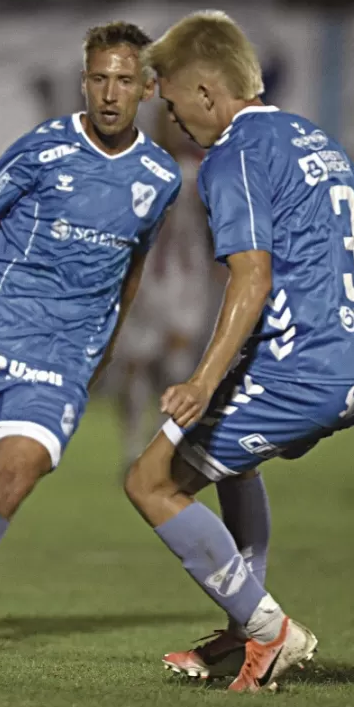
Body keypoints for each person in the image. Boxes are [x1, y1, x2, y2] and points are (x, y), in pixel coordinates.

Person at [125, 10, 354, 692]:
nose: (170, 115)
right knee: (234, 469)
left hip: (301, 365)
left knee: (151, 481)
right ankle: (243, 622)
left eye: (169, 99)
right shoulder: (311, 137)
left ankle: (266, 627)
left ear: (205, 93)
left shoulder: (233, 157)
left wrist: (200, 381)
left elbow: (252, 279)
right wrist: (351, 320)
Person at [0, 21, 182, 646]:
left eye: (124, 81)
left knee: (8, 480)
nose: (109, 93)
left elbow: (130, 270)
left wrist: (100, 353)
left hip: (61, 360)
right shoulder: (45, 148)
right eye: (99, 78)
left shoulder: (160, 178)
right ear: (83, 82)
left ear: (147, 88)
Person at [112, 112, 216, 473]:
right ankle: (131, 448)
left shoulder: (198, 172)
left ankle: (162, 449)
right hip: (145, 282)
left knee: (176, 368)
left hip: (185, 283)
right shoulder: (138, 168)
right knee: (135, 367)